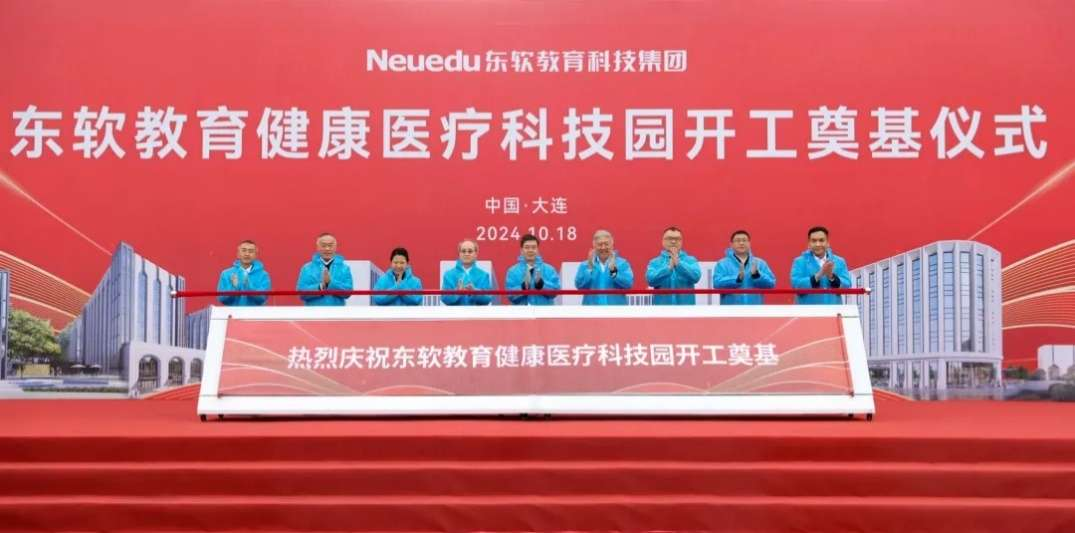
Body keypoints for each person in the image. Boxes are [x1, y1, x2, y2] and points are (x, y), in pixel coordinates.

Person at [790, 226, 852, 305]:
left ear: (828, 243)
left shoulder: (839, 262)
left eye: (821, 240)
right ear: (809, 244)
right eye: (814, 241)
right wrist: (818, 275)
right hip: (806, 311)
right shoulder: (799, 262)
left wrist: (831, 277)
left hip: (833, 311)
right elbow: (796, 286)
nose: (818, 244)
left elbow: (847, 286)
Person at [712, 230, 776, 305]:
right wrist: (736, 279)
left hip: (755, 309)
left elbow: (771, 284)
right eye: (737, 240)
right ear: (731, 244)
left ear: (749, 243)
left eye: (744, 240)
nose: (741, 243)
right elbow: (717, 284)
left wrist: (757, 276)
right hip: (730, 309)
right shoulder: (722, 264)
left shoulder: (760, 263)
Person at [574, 229, 634, 305]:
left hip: (616, 309)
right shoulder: (585, 265)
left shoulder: (622, 263)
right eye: (600, 244)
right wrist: (589, 269)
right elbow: (579, 286)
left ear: (612, 245)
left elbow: (628, 284)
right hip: (592, 310)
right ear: (594, 246)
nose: (603, 247)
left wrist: (613, 270)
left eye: (606, 244)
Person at [646, 226, 702, 305]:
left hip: (686, 309)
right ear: (663, 241)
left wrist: (679, 264)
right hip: (662, 310)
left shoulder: (690, 260)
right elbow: (650, 281)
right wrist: (668, 269)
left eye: (677, 239)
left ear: (681, 241)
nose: (673, 241)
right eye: (669, 238)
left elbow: (696, 277)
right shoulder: (655, 262)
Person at [296, 232, 353, 306]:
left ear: (335, 247)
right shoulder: (307, 268)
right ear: (317, 247)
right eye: (323, 245)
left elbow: (348, 292)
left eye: (330, 245)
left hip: (337, 312)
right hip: (313, 312)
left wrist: (330, 283)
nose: (327, 248)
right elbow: (301, 293)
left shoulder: (344, 268)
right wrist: (321, 286)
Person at [505, 233, 560, 305]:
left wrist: (542, 285)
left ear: (537, 250)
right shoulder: (512, 271)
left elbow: (555, 292)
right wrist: (523, 288)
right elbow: (510, 296)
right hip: (521, 312)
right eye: (527, 247)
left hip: (544, 311)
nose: (530, 250)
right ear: (521, 250)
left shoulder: (549, 269)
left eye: (534, 247)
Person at [216, 239, 272, 306]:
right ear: (238, 254)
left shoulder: (264, 275)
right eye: (244, 250)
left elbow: (263, 298)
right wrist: (234, 288)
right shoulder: (226, 274)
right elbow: (221, 298)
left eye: (250, 251)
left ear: (255, 255)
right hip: (232, 312)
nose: (247, 254)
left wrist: (248, 287)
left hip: (255, 312)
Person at [441, 239, 493, 306]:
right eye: (463, 251)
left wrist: (475, 291)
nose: (466, 254)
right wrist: (457, 292)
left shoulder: (484, 275)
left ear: (476, 254)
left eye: (470, 251)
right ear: (459, 254)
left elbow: (487, 299)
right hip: (455, 313)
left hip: (477, 313)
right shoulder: (448, 275)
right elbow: (444, 298)